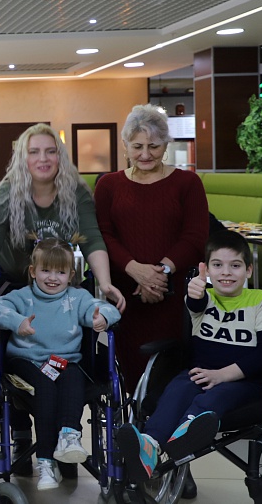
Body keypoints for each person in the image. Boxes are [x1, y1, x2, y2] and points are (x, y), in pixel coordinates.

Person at [117, 230, 262, 485]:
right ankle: (148, 446)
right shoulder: (202, 297)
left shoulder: (260, 300)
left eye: (235, 265)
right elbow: (196, 303)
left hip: (245, 380)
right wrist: (196, 290)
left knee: (216, 396)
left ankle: (184, 436)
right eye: (218, 265)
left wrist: (223, 375)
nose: (226, 272)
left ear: (249, 270)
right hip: (200, 373)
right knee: (177, 390)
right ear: (207, 269)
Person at [0, 238, 121, 491]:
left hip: (65, 362)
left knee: (74, 376)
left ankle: (68, 437)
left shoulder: (77, 298)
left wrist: (102, 317)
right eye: (45, 270)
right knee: (46, 386)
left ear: (71, 275)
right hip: (25, 360)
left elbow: (107, 308)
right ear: (33, 271)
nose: (52, 278)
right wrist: (18, 322)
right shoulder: (22, 297)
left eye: (60, 272)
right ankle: (45, 462)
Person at [95, 104, 208, 389]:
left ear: (166, 145)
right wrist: (135, 270)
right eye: (137, 146)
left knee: (172, 374)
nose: (145, 154)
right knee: (131, 375)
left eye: (154, 146)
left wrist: (159, 274)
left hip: (174, 296)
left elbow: (196, 237)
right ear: (125, 145)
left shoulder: (188, 183)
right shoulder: (108, 185)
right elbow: (103, 236)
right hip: (125, 296)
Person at [0, 123, 124, 311]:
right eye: (34, 152)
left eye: (51, 151)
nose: (43, 158)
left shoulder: (77, 193)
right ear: (23, 158)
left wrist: (105, 283)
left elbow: (92, 240)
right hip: (15, 285)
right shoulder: (5, 193)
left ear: (60, 157)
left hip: (60, 284)